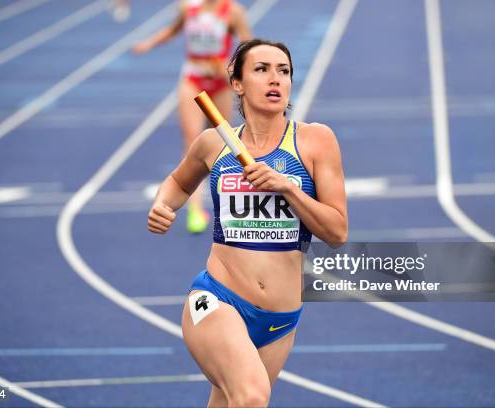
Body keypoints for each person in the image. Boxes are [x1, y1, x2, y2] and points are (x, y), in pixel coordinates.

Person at [148, 38, 348, 406]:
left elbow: (336, 232)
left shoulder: (316, 141)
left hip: (280, 319)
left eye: (284, 71)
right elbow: (177, 182)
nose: (276, 79)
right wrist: (164, 205)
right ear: (237, 83)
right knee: (252, 397)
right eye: (262, 69)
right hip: (218, 298)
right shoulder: (214, 145)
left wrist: (289, 190)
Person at [133, 0, 251, 233]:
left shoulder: (233, 12)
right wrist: (148, 44)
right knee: (192, 143)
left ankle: (229, 202)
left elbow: (248, 48)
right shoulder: (188, 9)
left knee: (224, 142)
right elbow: (172, 31)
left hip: (220, 84)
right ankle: (195, 209)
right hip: (193, 80)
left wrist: (230, 68)